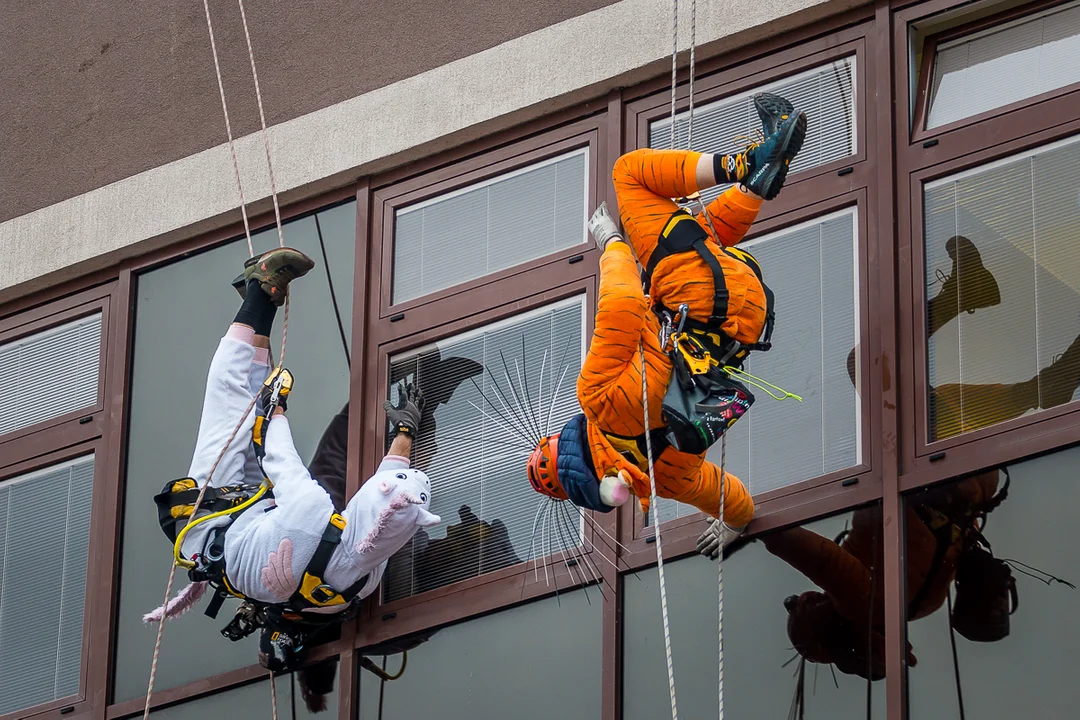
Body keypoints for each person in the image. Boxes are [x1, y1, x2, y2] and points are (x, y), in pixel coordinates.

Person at [525, 93, 807, 552]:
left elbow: (732, 498)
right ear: (563, 442)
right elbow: (619, 305)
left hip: (742, 317)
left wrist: (736, 524)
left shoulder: (662, 479)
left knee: (687, 243)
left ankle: (757, 182)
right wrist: (612, 244)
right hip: (698, 296)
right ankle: (750, 161)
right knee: (630, 174)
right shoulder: (597, 400)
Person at [148, 247, 439, 675]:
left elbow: (281, 458)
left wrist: (276, 406)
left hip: (211, 526)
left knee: (233, 402)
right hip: (260, 525)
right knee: (246, 404)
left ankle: (258, 293)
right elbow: (390, 492)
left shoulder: (324, 527)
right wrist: (406, 432)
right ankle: (258, 299)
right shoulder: (366, 567)